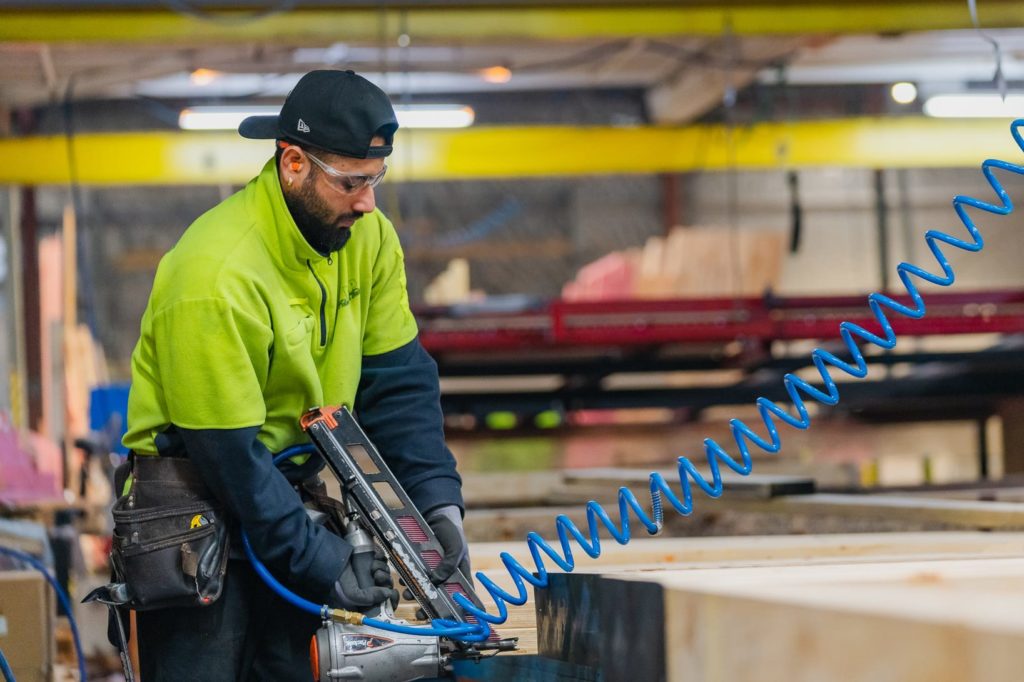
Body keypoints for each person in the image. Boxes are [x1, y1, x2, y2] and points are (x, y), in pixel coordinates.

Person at [120, 69, 469, 681]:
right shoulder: (214, 274)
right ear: (293, 164)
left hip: (287, 492)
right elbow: (230, 459)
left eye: (375, 179)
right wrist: (322, 561)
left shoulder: (369, 240)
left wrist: (436, 508)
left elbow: (399, 386)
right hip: (195, 506)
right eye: (351, 182)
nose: (368, 202)